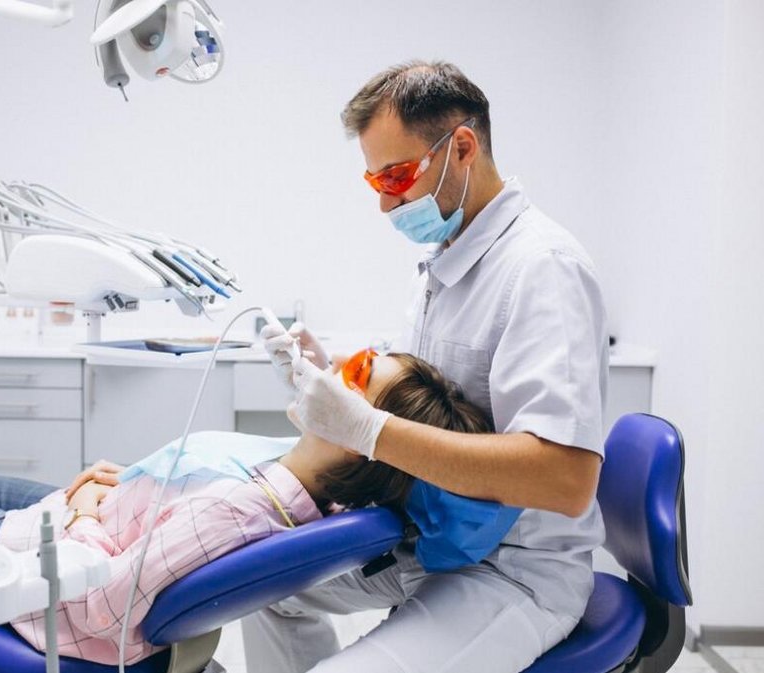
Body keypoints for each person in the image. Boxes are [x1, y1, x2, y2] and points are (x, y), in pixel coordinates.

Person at [252, 61, 609, 673]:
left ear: (462, 147)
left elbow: (566, 480)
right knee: (263, 588)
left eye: (397, 176)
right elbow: (420, 397)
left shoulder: (540, 269)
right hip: (434, 542)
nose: (387, 203)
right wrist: (330, 378)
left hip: (514, 570)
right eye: (375, 183)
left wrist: (368, 432)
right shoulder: (445, 260)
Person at [0, 352, 497, 666]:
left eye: (354, 373)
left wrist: (85, 511)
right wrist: (147, 487)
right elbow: (190, 518)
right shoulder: (314, 487)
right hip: (104, 517)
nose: (331, 366)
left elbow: (105, 610)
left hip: (52, 573)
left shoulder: (239, 514)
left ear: (359, 436)